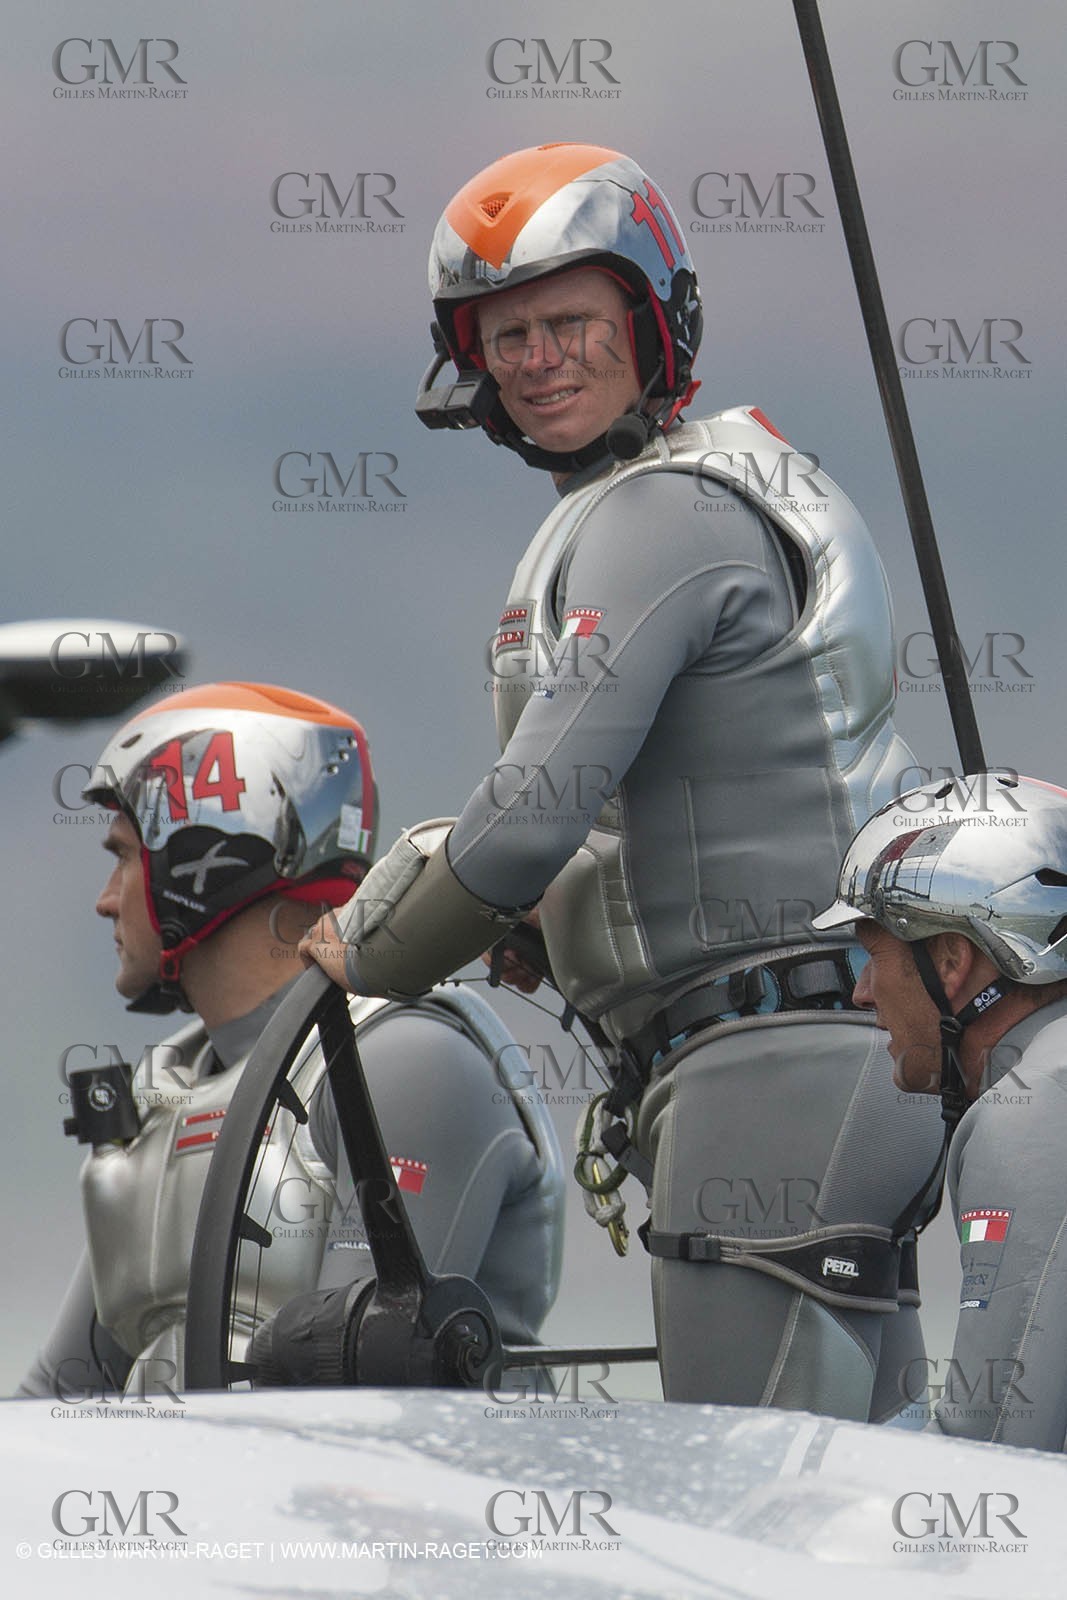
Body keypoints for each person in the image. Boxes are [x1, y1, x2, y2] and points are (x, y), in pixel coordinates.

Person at [303, 142, 943, 1416]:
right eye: (505, 336)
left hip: (765, 1067)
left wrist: (355, 953)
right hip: (832, 1053)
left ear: (651, 322)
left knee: (746, 1495)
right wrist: (559, 926)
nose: (538, 359)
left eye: (570, 322)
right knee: (864, 1491)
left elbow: (524, 823)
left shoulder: (661, 514)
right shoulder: (711, 486)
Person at [18, 681, 563, 1400]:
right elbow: (57, 1398)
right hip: (203, 1476)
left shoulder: (404, 1058)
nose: (105, 898)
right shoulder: (163, 1095)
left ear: (198, 860)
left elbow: (359, 1390)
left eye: (122, 855)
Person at [812, 771, 1067, 1451]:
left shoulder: (1036, 1109)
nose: (862, 993)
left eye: (873, 954)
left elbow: (998, 1442)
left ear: (951, 959)